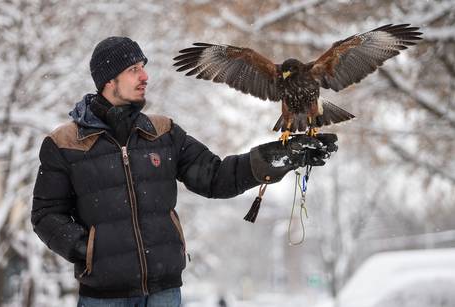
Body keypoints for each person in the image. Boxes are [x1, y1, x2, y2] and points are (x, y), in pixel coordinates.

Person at [31, 37, 338, 307]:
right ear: (109, 80)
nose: (145, 76)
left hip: (165, 292)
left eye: (143, 67)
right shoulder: (66, 143)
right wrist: (88, 251)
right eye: (134, 69)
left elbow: (216, 176)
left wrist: (280, 155)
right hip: (104, 297)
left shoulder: (163, 132)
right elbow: (45, 215)